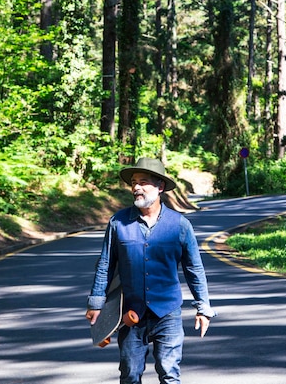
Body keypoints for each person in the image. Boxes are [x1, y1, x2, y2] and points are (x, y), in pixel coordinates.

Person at [86, 157, 216, 384]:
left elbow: (194, 267)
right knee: (129, 375)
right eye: (133, 182)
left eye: (143, 181)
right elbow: (105, 264)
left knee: (169, 374)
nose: (136, 187)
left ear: (160, 187)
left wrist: (203, 307)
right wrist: (96, 303)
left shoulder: (180, 225)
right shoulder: (118, 223)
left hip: (168, 314)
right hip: (130, 315)